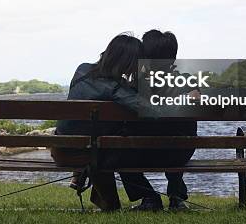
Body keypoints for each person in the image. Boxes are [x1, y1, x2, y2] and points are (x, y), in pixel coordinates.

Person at [51, 33, 159, 211]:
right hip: (88, 154)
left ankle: (96, 189)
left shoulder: (82, 69)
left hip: (61, 149)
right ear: (128, 62)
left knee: (107, 142)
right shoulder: (116, 89)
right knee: (125, 147)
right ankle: (149, 197)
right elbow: (153, 112)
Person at [120, 29, 199, 211]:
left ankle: (149, 197)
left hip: (140, 155)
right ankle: (176, 197)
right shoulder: (187, 82)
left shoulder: (132, 85)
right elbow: (195, 104)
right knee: (180, 136)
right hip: (178, 154)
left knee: (117, 153)